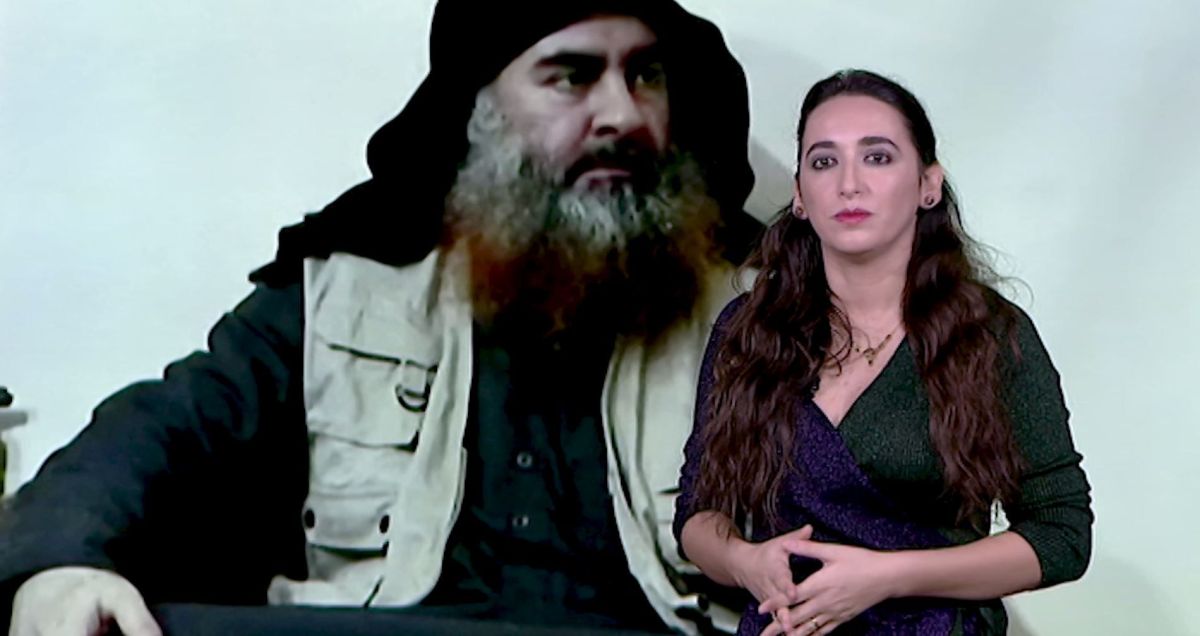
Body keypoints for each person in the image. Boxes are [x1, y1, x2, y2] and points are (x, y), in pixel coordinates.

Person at [0, 1, 766, 634]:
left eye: (647, 75)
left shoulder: (759, 312)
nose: (623, 115)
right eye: (572, 76)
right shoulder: (347, 287)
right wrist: (58, 564)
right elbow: (162, 429)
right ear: (481, 113)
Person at [673, 69, 1093, 636]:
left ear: (928, 184)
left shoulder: (990, 335)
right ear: (800, 195)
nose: (849, 184)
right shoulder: (748, 330)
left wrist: (887, 577)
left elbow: (1061, 535)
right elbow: (698, 511)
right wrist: (744, 561)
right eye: (824, 162)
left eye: (877, 157)